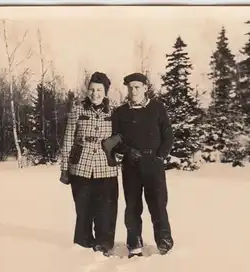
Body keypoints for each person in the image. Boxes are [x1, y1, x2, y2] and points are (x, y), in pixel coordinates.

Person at [107, 72, 174, 258]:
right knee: (133, 206)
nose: (133, 90)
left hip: (153, 164)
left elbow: (168, 135)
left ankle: (164, 242)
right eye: (130, 87)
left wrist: (160, 156)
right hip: (131, 166)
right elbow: (115, 139)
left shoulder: (158, 108)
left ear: (145, 88)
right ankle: (134, 243)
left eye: (137, 87)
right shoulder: (120, 112)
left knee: (158, 204)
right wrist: (127, 151)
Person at [59, 71, 119, 257]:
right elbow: (68, 139)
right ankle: (83, 244)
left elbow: (122, 137)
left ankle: (104, 243)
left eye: (99, 90)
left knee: (105, 210)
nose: (95, 93)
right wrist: (64, 168)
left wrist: (115, 146)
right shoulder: (78, 109)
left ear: (106, 92)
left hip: (105, 167)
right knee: (83, 208)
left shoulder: (114, 111)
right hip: (81, 167)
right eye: (92, 89)